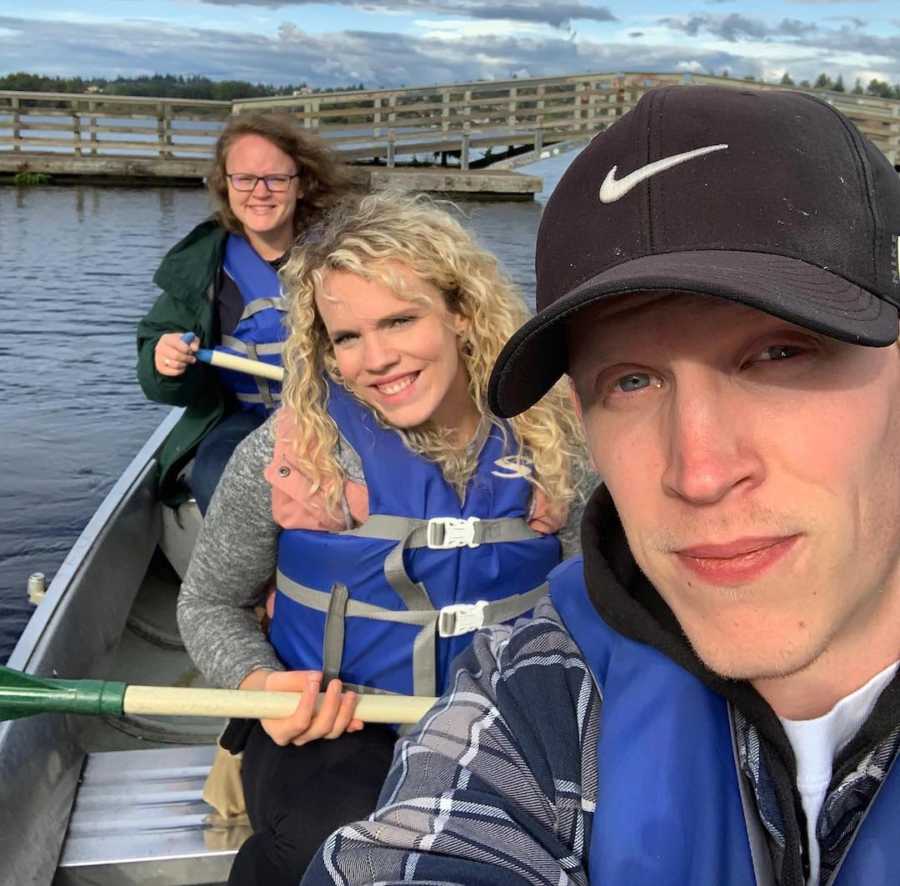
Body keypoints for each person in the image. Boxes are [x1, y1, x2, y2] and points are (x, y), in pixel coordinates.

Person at [300, 86, 900, 886]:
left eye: (780, 354)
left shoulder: (534, 466)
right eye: (631, 381)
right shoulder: (537, 686)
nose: (700, 472)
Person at [177, 191, 590, 884]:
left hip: (512, 716)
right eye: (347, 337)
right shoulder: (288, 455)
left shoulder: (559, 452)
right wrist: (264, 683)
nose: (378, 359)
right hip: (337, 726)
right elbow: (208, 604)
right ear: (325, 351)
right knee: (329, 841)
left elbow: (598, 609)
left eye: (401, 320)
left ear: (461, 314)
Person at [136, 112, 352, 513]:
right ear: (226, 184)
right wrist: (163, 361)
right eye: (245, 179)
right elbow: (158, 371)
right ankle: (248, 572)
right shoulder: (202, 266)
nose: (260, 191)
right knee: (215, 472)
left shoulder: (347, 253)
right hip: (243, 416)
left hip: (339, 413)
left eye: (276, 178)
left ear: (301, 184)